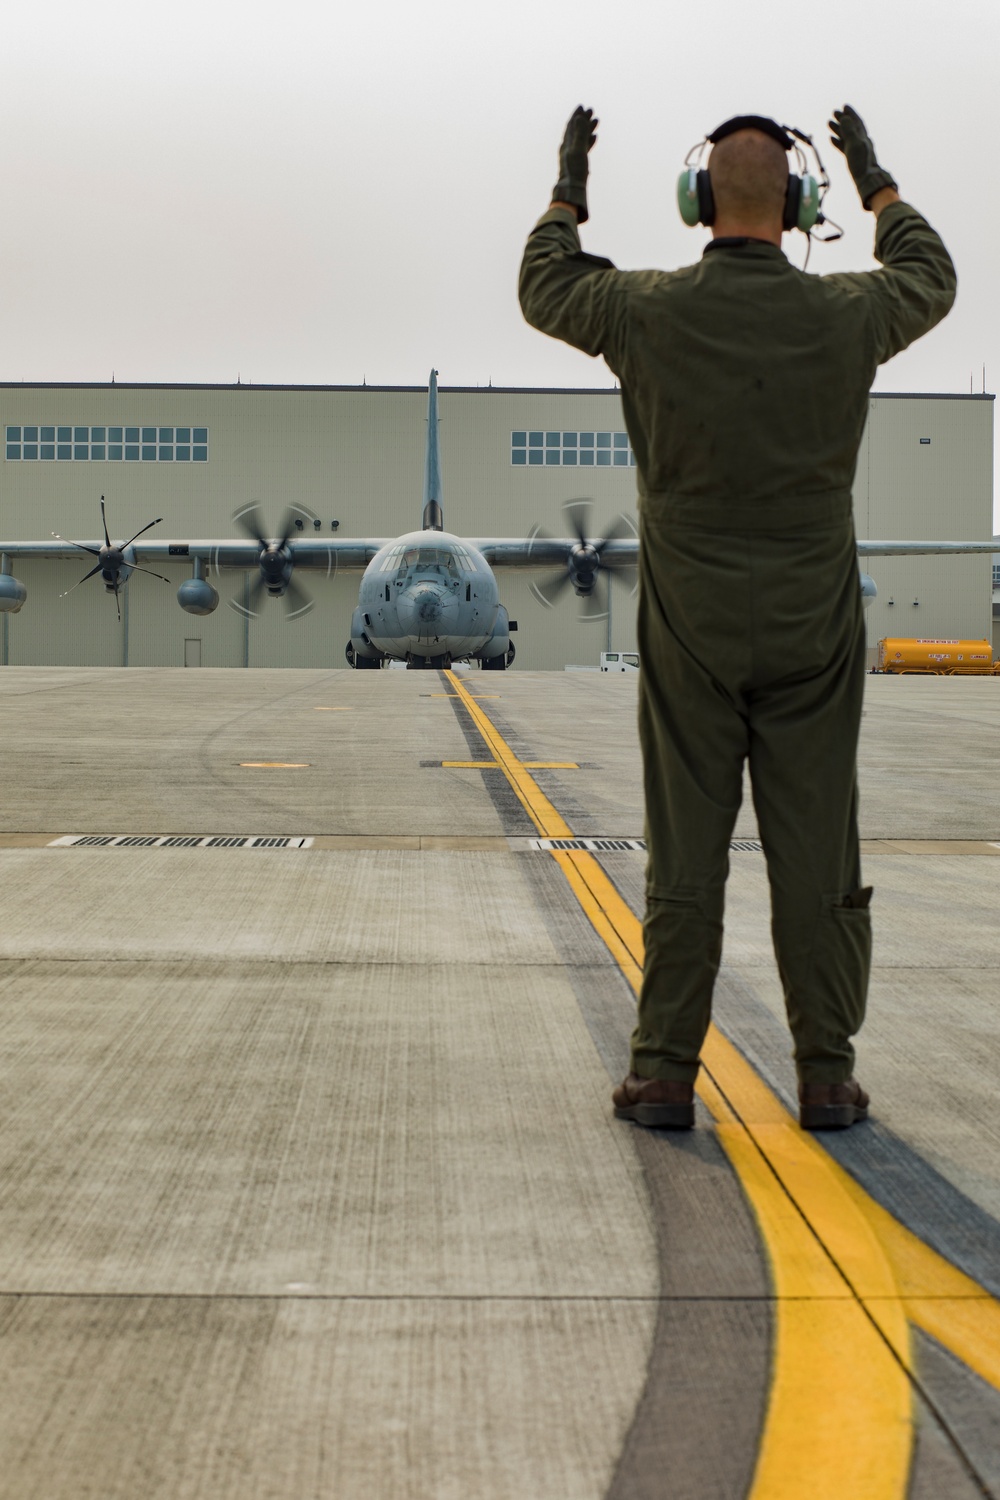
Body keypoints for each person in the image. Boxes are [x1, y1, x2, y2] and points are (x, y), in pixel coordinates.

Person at [518, 106, 956, 1130]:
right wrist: (877, 184)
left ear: (697, 201)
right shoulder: (849, 312)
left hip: (693, 632)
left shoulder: (641, 309)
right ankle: (826, 1074)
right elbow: (930, 275)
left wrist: (569, 187)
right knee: (818, 853)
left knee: (686, 851)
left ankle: (665, 1071)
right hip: (814, 628)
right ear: (798, 205)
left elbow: (543, 284)